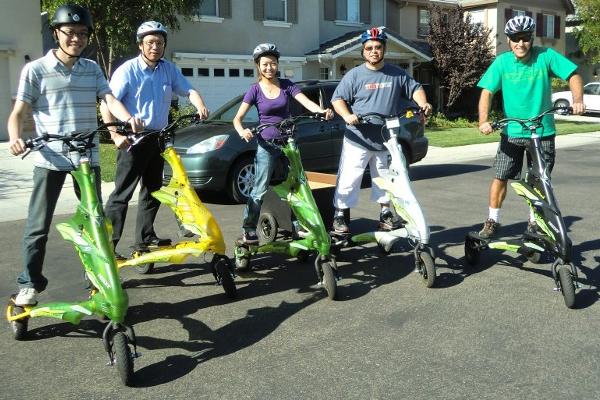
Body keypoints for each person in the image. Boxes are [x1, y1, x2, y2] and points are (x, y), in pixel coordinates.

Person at [7, 4, 143, 306]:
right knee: (38, 226)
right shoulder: (35, 69)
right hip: (50, 158)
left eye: (83, 34)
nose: (77, 39)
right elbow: (18, 112)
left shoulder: (92, 69)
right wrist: (16, 138)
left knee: (95, 222)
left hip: (87, 159)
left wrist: (128, 117)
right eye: (70, 33)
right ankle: (30, 283)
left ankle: (97, 277)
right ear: (57, 33)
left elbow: (109, 99)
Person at [100, 21, 209, 257]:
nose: (155, 47)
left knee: (152, 191)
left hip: (157, 139)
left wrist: (198, 102)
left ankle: (144, 238)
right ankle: (107, 247)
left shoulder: (168, 69)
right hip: (133, 141)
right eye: (150, 42)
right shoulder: (127, 70)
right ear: (140, 45)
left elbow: (188, 90)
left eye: (159, 42)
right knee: (122, 195)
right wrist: (115, 134)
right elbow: (107, 102)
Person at [477, 15, 585, 238]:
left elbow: (573, 75)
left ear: (531, 39)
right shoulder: (502, 62)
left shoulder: (545, 56)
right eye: (515, 39)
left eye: (525, 38)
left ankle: (534, 222)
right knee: (501, 175)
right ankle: (492, 221)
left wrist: (577, 99)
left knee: (538, 179)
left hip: (543, 132)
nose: (520, 44)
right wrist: (483, 120)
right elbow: (487, 92)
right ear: (508, 40)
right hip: (512, 132)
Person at [330, 27, 432, 234]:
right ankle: (340, 216)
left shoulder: (396, 74)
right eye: (369, 48)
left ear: (384, 49)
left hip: (385, 138)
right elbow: (337, 99)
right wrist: (348, 115)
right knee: (350, 178)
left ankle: (385, 214)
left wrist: (423, 103)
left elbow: (415, 88)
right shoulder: (354, 75)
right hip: (357, 138)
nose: (374, 51)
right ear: (363, 51)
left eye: (378, 47)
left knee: (386, 179)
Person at [233, 43, 334, 244]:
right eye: (265, 64)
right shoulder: (254, 90)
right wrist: (242, 131)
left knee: (297, 186)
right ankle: (249, 229)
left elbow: (306, 102)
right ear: (258, 66)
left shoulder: (287, 85)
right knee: (260, 188)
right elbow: (237, 119)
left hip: (288, 143)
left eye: (272, 63)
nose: (269, 67)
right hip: (267, 145)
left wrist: (321, 111)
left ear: (277, 64)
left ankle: (298, 225)